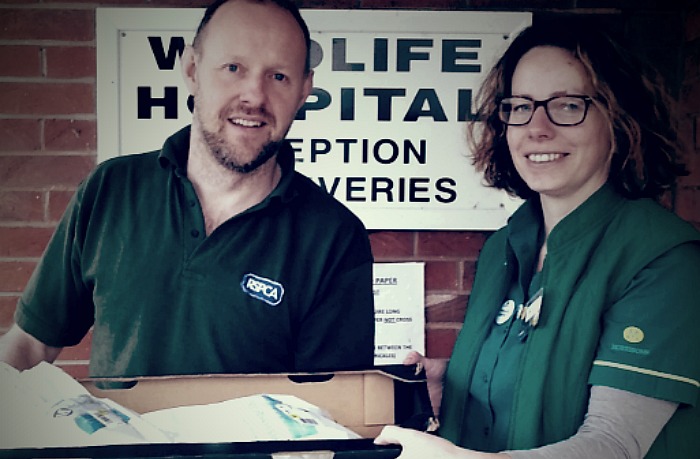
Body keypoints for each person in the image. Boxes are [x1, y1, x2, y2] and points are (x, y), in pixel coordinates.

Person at [375, 21, 700, 459]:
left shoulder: (665, 260)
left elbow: (614, 442)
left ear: (619, 119)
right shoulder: (505, 247)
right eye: (520, 106)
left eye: (567, 106)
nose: (537, 127)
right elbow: (539, 372)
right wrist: (454, 384)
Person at [0, 0, 375, 377]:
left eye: (278, 76)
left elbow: (335, 412)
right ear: (192, 69)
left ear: (304, 89)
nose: (255, 97)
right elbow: (30, 345)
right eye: (233, 68)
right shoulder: (110, 190)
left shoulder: (334, 237)